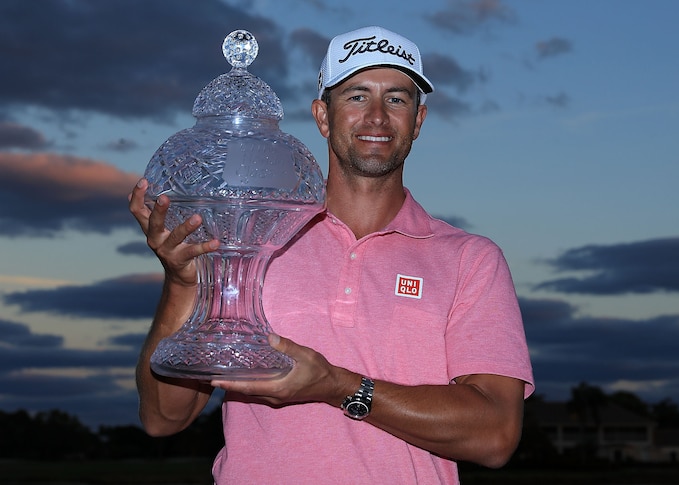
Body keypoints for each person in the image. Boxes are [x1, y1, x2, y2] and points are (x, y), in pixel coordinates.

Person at [129, 25, 533, 484]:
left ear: (418, 121)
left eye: (397, 99)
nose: (377, 116)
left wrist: (336, 386)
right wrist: (183, 282)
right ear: (323, 116)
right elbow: (164, 417)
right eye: (357, 96)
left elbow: (496, 434)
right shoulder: (255, 236)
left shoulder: (470, 260)